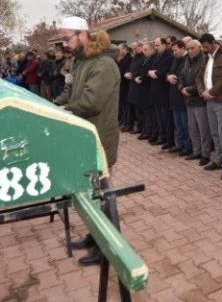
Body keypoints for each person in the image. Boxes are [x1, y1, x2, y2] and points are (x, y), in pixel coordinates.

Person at [59, 16, 121, 267]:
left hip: (98, 137)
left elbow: (91, 103)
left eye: (66, 38)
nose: (64, 44)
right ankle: (94, 236)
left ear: (83, 35)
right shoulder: (80, 62)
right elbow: (69, 93)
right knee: (91, 194)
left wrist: (65, 111)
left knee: (102, 195)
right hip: (83, 135)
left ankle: (106, 247)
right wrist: (52, 106)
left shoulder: (103, 64)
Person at [197, 33, 222, 179]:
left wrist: (211, 92)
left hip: (221, 100)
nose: (204, 49)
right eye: (202, 47)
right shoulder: (206, 57)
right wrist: (202, 92)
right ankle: (219, 161)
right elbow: (199, 76)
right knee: (214, 132)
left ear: (213, 43)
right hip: (209, 100)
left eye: (206, 46)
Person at [179, 39, 211, 165]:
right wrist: (181, 88)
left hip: (199, 100)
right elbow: (181, 75)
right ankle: (196, 151)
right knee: (192, 129)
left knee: (203, 129)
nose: (190, 51)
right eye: (188, 48)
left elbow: (203, 80)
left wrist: (191, 90)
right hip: (188, 99)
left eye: (192, 48)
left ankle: (205, 154)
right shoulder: (188, 60)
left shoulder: (204, 60)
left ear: (199, 47)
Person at [149, 37, 175, 149]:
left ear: (164, 45)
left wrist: (156, 73)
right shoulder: (157, 56)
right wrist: (151, 72)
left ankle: (169, 140)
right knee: (159, 117)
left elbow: (163, 71)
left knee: (166, 117)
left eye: (158, 45)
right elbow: (152, 68)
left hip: (164, 91)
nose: (156, 47)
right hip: (156, 91)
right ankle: (162, 136)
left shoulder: (169, 56)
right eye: (155, 45)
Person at [168, 40, 192, 155]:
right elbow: (168, 72)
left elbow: (186, 76)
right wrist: (168, 77)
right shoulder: (175, 59)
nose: (174, 52)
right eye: (173, 50)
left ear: (183, 48)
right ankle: (180, 144)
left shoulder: (188, 59)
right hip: (174, 95)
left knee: (185, 123)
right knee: (178, 123)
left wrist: (175, 78)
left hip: (183, 95)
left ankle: (188, 146)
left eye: (176, 50)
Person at [126, 42, 145, 133]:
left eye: (135, 48)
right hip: (132, 86)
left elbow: (141, 72)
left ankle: (140, 128)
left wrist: (133, 76)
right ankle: (135, 125)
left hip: (139, 88)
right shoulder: (134, 58)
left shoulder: (144, 58)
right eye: (133, 48)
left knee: (139, 110)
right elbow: (130, 69)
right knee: (134, 108)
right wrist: (126, 73)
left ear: (141, 47)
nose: (134, 50)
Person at [117, 43, 134, 132]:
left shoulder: (129, 58)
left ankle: (128, 123)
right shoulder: (120, 58)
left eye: (120, 49)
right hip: (121, 85)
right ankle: (123, 121)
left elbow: (124, 70)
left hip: (126, 85)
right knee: (122, 105)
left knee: (127, 106)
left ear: (124, 49)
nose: (119, 52)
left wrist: (122, 74)